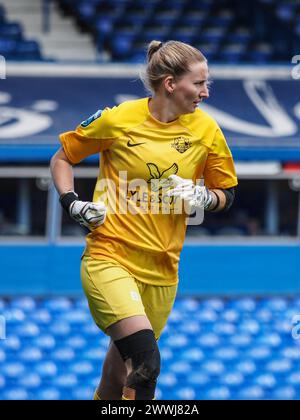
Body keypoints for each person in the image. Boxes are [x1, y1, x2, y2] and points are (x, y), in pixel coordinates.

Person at [50, 40, 238, 401]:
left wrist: (204, 197)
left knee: (117, 375)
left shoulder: (207, 130)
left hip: (163, 271)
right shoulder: (117, 119)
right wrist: (72, 202)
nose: (206, 92)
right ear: (170, 84)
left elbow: (226, 193)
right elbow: (62, 158)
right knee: (147, 363)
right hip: (110, 257)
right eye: (199, 83)